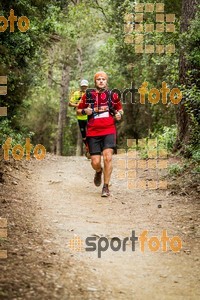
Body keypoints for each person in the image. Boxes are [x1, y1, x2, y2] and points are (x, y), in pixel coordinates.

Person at [77, 71, 123, 197]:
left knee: (108, 157)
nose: (101, 81)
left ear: (106, 81)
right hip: (93, 132)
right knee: (95, 162)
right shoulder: (88, 95)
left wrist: (119, 115)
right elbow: (78, 110)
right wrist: (85, 111)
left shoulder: (112, 95)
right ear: (95, 82)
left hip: (109, 130)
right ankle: (98, 171)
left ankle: (106, 187)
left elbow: (120, 109)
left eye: (103, 79)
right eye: (99, 79)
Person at [69, 79, 89, 156]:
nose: (84, 87)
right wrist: (78, 105)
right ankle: (87, 147)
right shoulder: (77, 93)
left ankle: (91, 149)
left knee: (91, 133)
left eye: (85, 86)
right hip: (80, 117)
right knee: (83, 135)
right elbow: (70, 103)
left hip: (89, 116)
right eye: (83, 86)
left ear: (87, 86)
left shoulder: (90, 93)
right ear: (80, 86)